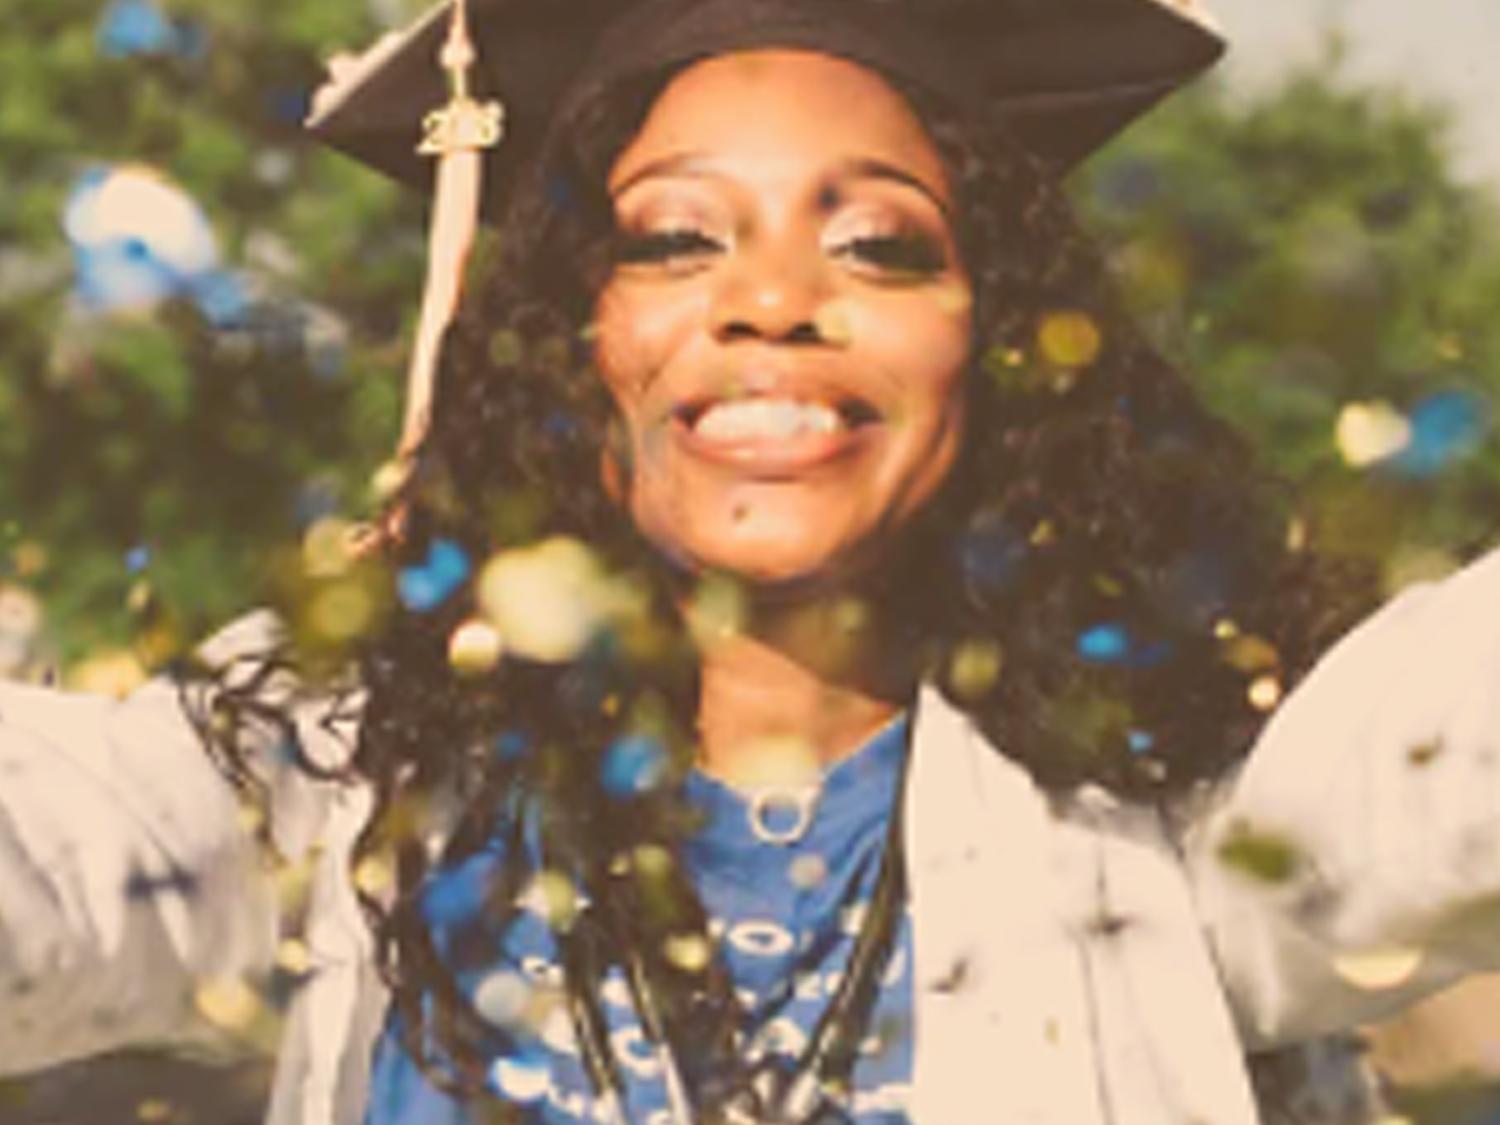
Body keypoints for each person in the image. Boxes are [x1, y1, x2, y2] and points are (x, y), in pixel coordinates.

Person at [2, 1, 1498, 1123]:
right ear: (558, 341)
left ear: (1001, 343)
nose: (773, 298)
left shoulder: (1185, 815)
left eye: (881, 246)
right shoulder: (350, 771)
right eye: (671, 240)